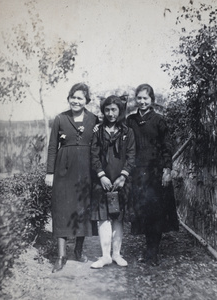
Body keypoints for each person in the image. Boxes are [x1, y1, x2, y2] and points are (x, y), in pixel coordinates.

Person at [45, 83, 98, 273]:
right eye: (73, 97)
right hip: (63, 169)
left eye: (80, 98)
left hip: (86, 170)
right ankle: (61, 255)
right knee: (61, 208)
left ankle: (78, 250)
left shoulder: (94, 119)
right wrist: (50, 172)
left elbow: (98, 146)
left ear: (86, 101)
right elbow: (52, 147)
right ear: (68, 98)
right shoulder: (60, 119)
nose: (76, 101)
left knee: (82, 208)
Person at [127, 83, 178, 266]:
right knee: (143, 212)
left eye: (145, 98)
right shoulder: (130, 121)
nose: (142, 101)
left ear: (152, 100)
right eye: (139, 98)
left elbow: (167, 147)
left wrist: (167, 170)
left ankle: (153, 253)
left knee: (156, 213)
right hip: (137, 174)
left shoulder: (159, 121)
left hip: (155, 174)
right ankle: (148, 249)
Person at [90, 95, 135, 269]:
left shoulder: (127, 132)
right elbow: (93, 155)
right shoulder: (97, 131)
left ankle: (116, 254)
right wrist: (101, 175)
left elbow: (131, 155)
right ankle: (105, 256)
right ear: (103, 111)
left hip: (121, 181)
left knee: (118, 218)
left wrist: (123, 176)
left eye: (114, 110)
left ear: (120, 111)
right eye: (107, 110)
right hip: (101, 181)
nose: (110, 113)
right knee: (103, 219)